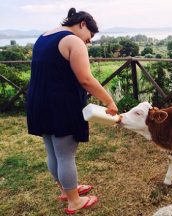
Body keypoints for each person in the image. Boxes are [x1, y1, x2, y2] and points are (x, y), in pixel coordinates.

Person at [26, 7, 118, 214]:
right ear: (82, 24)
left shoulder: (43, 37)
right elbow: (85, 79)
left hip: (38, 102)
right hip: (61, 105)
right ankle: (74, 201)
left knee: (53, 151)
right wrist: (109, 101)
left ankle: (67, 190)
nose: (89, 41)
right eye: (90, 35)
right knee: (66, 155)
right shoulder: (73, 41)